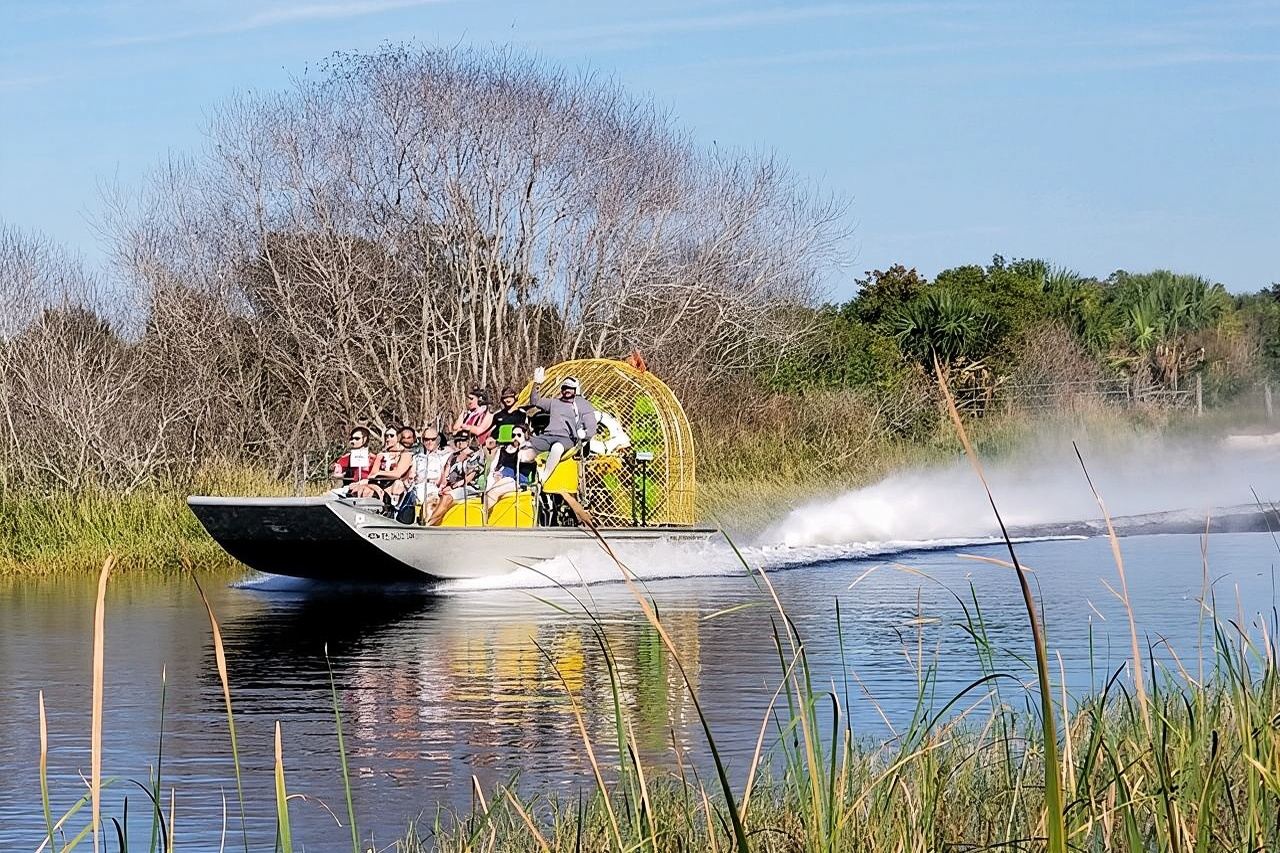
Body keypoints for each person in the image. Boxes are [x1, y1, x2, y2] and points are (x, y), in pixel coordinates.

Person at [528, 369, 598, 483]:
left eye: (570, 388)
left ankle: (543, 478)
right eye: (564, 388)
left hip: (567, 439)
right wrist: (537, 383)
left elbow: (591, 426)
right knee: (525, 445)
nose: (567, 390)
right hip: (548, 436)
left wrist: (585, 433)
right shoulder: (554, 402)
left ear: (576, 389)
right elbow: (535, 402)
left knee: (557, 448)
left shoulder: (583, 405)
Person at [425, 432, 485, 525]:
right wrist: (442, 486)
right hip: (451, 486)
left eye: (463, 440)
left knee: (448, 497)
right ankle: (427, 520)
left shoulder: (476, 454)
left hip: (468, 487)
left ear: (468, 441)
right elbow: (446, 474)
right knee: (432, 497)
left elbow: (470, 476)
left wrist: (453, 487)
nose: (460, 443)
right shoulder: (453, 456)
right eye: (458, 440)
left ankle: (429, 523)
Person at [482, 425, 538, 513]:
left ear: (526, 436)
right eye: (513, 435)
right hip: (503, 479)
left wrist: (523, 446)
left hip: (518, 482)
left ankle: (484, 518)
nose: (515, 438)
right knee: (489, 491)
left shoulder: (529, 450)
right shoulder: (504, 450)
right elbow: (496, 467)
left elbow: (525, 460)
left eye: (519, 435)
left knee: (493, 492)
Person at [348, 427, 402, 499]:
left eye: (391, 436)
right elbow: (372, 474)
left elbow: (399, 474)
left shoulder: (404, 455)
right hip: (380, 485)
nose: (388, 438)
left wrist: (380, 473)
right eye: (386, 436)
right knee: (360, 489)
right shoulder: (380, 455)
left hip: (397, 487)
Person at [412, 428, 453, 520]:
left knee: (432, 503)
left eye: (433, 439)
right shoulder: (416, 457)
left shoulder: (443, 457)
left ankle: (426, 525)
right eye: (426, 439)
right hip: (417, 487)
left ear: (437, 440)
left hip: (432, 488)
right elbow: (411, 475)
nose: (429, 442)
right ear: (423, 440)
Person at [330, 426, 375, 495]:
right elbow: (337, 473)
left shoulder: (374, 458)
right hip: (350, 488)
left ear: (365, 439)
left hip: (369, 488)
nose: (353, 441)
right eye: (352, 439)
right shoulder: (346, 458)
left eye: (357, 439)